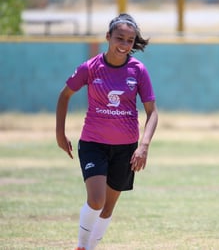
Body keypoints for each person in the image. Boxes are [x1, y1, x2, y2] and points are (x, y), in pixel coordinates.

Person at [56, 13, 158, 250]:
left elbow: (152, 112)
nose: (124, 45)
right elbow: (64, 96)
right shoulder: (91, 68)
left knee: (108, 207)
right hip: (94, 144)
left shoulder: (138, 70)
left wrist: (143, 145)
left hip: (126, 149)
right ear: (108, 37)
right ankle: (82, 246)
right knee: (96, 200)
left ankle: (91, 247)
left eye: (129, 41)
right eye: (119, 38)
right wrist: (60, 134)